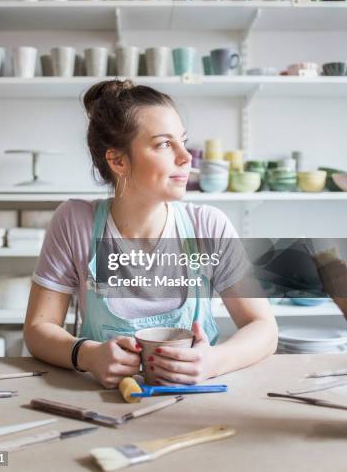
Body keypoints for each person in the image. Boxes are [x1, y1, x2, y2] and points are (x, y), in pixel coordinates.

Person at [24, 79, 278, 388]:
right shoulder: (75, 222)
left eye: (182, 141)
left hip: (200, 404)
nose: (186, 157)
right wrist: (87, 355)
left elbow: (264, 328)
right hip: (103, 406)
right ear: (118, 160)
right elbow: (38, 329)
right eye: (164, 144)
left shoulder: (208, 226)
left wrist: (214, 362)